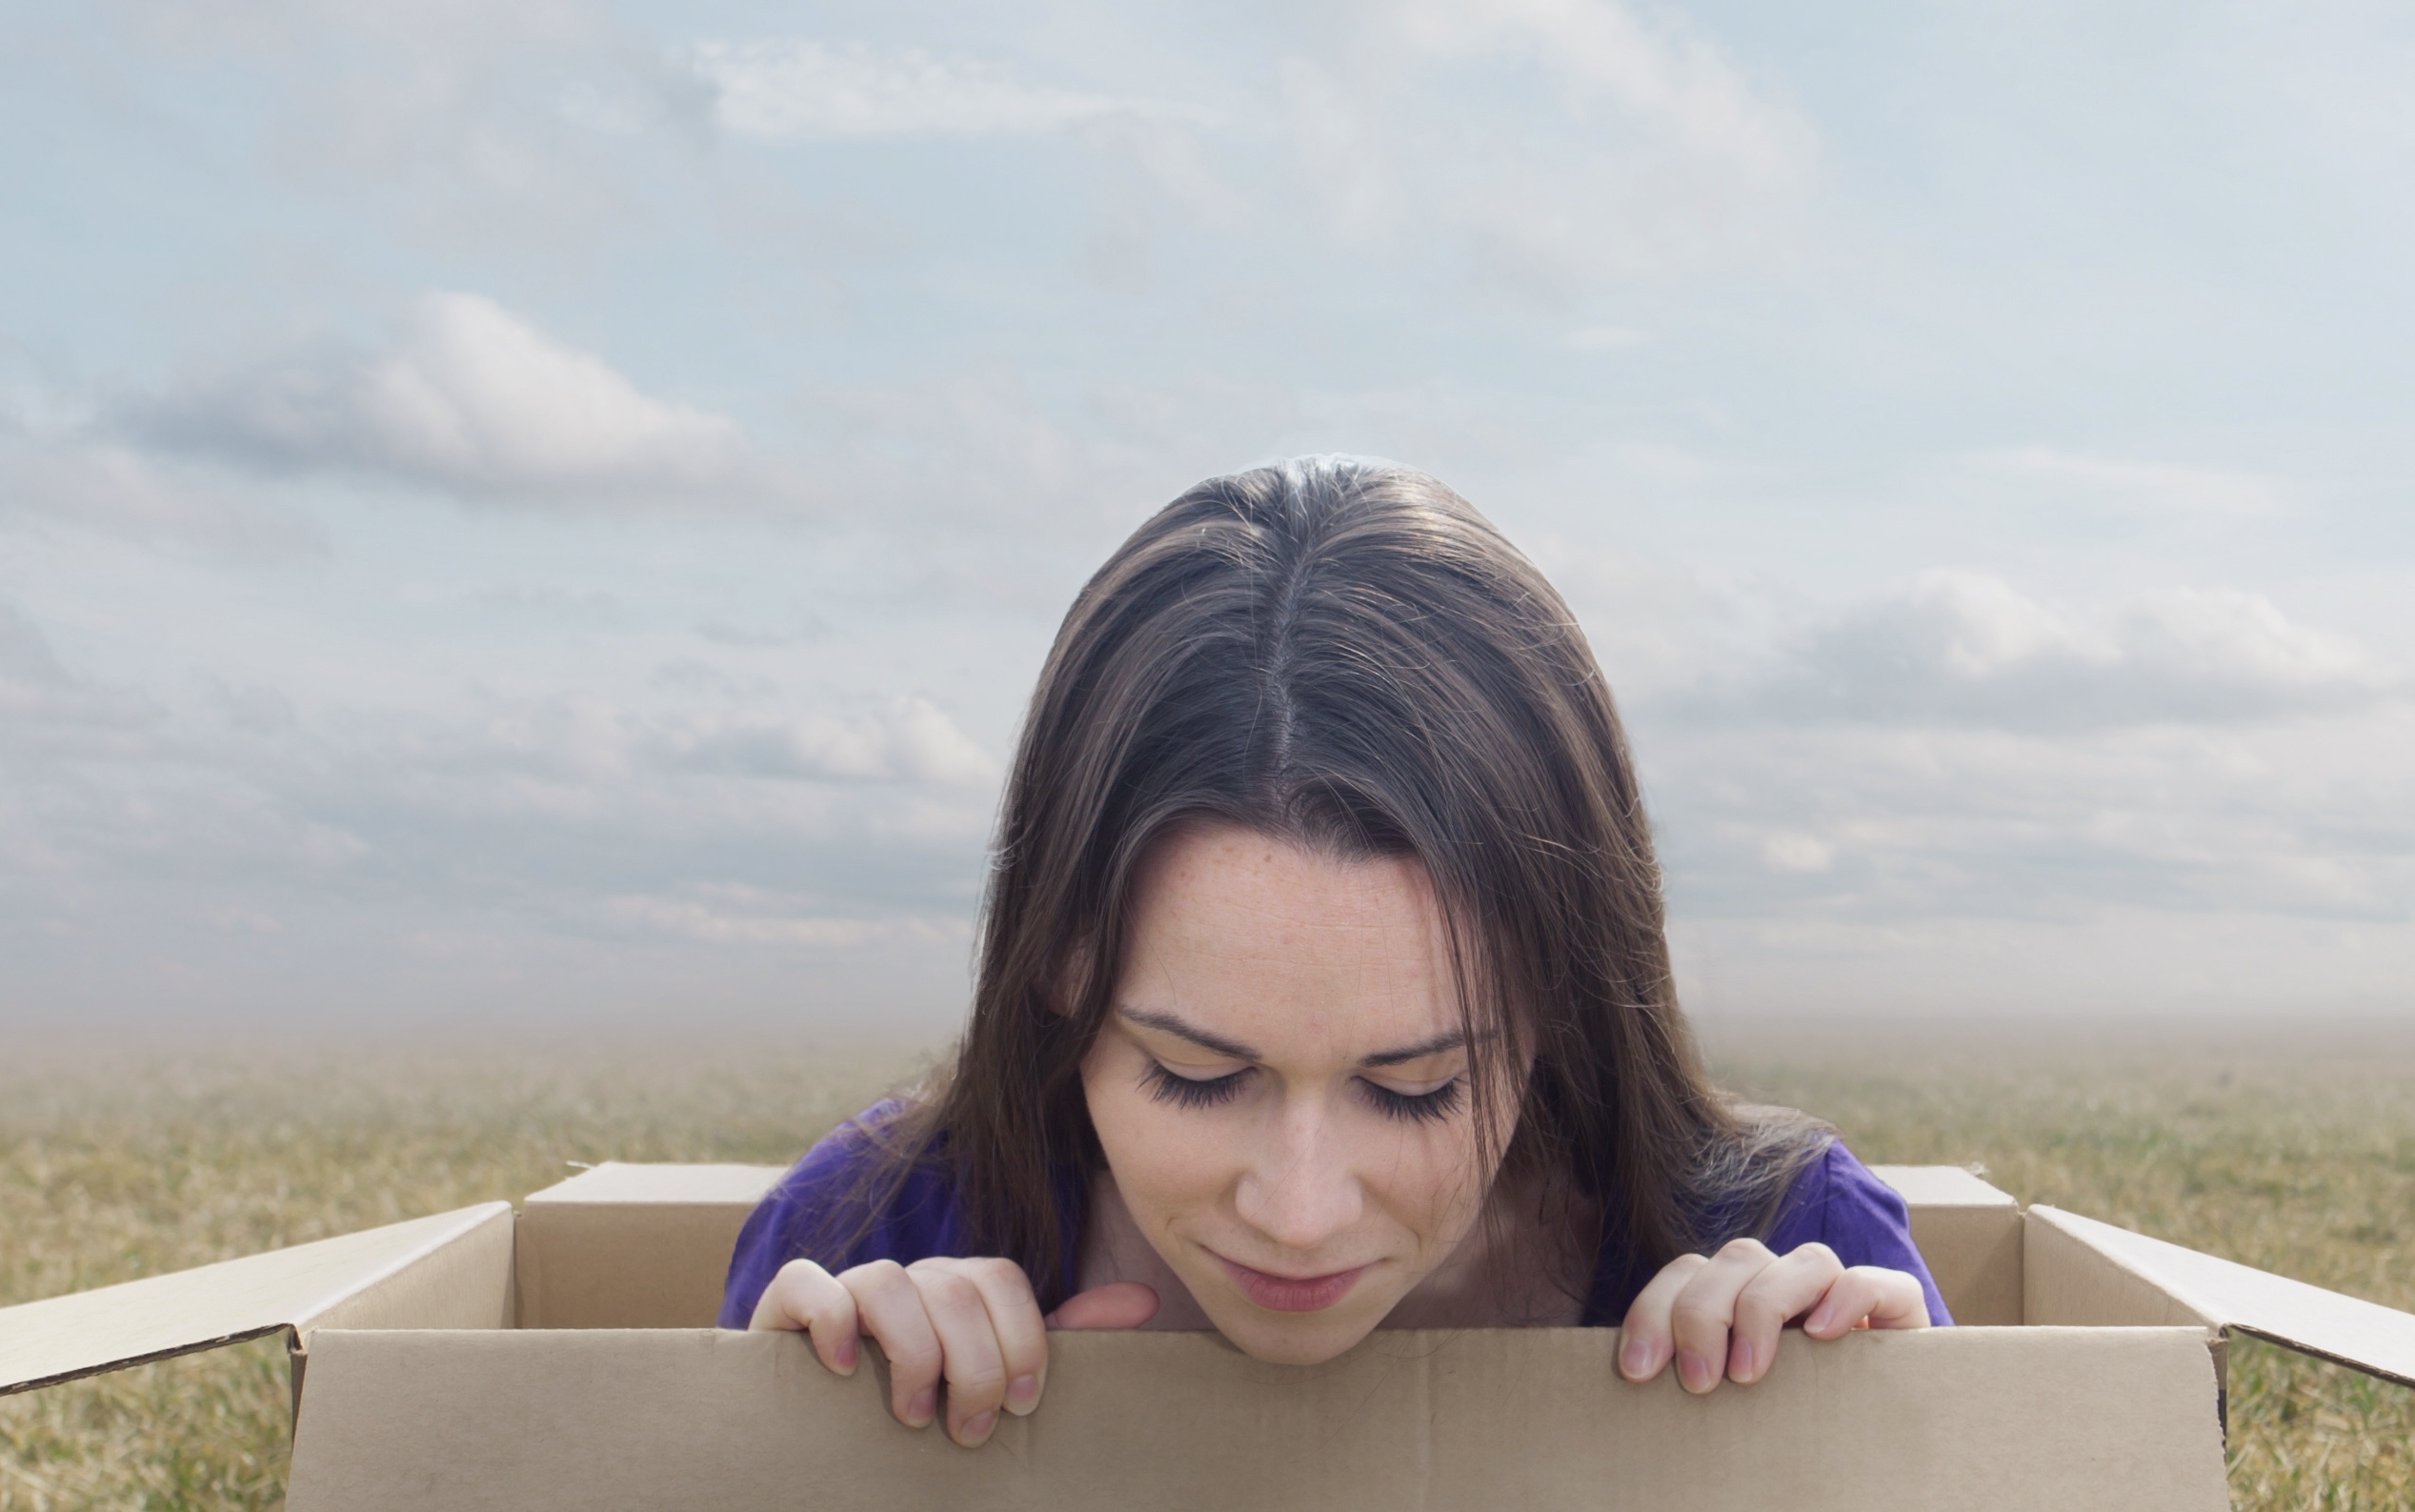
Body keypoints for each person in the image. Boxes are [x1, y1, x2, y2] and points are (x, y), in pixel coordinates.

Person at [722, 458, 1944, 1445]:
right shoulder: (868, 1232)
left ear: (1559, 999)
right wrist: (804, 1450)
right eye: (1195, 1076)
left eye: (1417, 1088)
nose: (1298, 1214)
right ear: (1056, 966)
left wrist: (1894, 1430)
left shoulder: (1800, 1246)